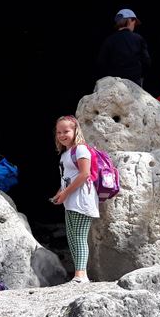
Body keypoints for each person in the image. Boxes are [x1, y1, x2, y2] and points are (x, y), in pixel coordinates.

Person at [51, 115, 99, 283]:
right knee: (72, 237)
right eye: (58, 132)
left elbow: (84, 174)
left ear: (75, 131)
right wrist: (60, 193)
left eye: (66, 131)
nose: (62, 135)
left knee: (79, 236)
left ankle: (81, 275)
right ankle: (80, 274)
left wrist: (65, 193)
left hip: (81, 198)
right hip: (70, 199)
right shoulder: (65, 154)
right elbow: (67, 177)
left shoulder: (81, 149)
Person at [96, 8, 151, 86]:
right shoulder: (139, 39)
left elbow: (101, 63)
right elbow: (147, 62)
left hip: (114, 84)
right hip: (134, 84)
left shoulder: (109, 40)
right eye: (134, 22)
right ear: (130, 20)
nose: (134, 25)